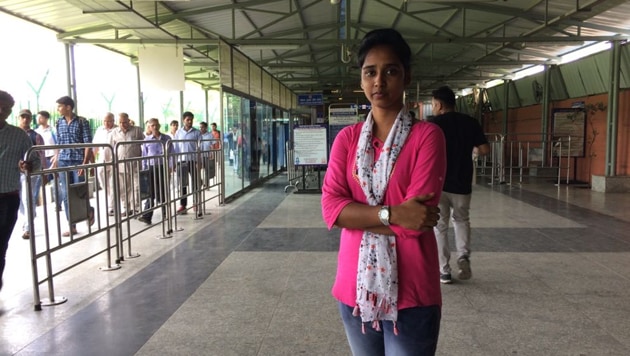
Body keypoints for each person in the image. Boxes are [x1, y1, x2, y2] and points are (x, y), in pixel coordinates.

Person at [320, 29, 446, 355]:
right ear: (361, 80)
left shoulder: (427, 137)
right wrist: (393, 213)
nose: (379, 81)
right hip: (354, 289)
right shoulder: (346, 140)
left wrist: (357, 215)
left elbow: (417, 219)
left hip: (413, 292)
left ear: (406, 77)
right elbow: (331, 209)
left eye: (390, 71)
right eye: (370, 72)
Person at [429, 85, 490, 284]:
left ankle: (444, 271)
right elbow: (484, 149)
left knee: (440, 226)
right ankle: (463, 255)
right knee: (462, 219)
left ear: (438, 104)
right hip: (463, 182)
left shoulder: (433, 125)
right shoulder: (470, 122)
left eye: (433, 103)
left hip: (439, 183)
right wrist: (470, 151)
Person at [0, 90, 41, 291]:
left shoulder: (19, 136)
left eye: (6, 108)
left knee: (1, 246)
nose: (1, 110)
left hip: (8, 198)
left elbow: (35, 162)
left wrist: (28, 166)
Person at [50, 96, 94, 237]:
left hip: (77, 160)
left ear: (68, 107)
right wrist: (56, 158)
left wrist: (84, 162)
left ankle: (89, 210)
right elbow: (59, 143)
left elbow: (87, 143)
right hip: (63, 160)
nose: (58, 109)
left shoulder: (82, 122)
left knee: (79, 190)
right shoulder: (59, 122)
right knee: (66, 193)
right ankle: (72, 225)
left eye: (60, 106)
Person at [17, 109, 46, 240]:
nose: (25, 119)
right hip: (15, 172)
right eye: (23, 117)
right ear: (19, 118)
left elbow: (41, 155)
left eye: (27, 117)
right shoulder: (14, 134)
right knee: (20, 201)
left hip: (31, 172)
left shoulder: (36, 136)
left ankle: (28, 227)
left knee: (27, 198)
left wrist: (43, 171)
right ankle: (30, 215)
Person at [109, 112, 145, 217]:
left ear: (129, 121)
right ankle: (127, 208)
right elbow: (110, 148)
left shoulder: (137, 130)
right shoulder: (114, 132)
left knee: (136, 186)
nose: (122, 124)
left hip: (135, 163)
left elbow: (144, 144)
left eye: (124, 122)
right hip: (120, 164)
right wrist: (112, 162)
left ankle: (136, 208)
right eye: (120, 122)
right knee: (124, 188)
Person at [138, 118, 172, 225]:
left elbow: (172, 153)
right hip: (151, 168)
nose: (155, 127)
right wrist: (144, 169)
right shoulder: (147, 140)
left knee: (163, 190)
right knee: (150, 191)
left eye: (156, 125)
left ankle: (166, 212)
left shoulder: (167, 138)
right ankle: (147, 216)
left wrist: (170, 167)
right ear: (149, 127)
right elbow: (144, 155)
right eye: (152, 125)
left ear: (159, 125)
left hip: (162, 166)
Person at [173, 111, 201, 215]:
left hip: (193, 161)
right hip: (182, 161)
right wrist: (175, 162)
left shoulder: (196, 132)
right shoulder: (178, 132)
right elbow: (176, 148)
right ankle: (183, 205)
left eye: (191, 120)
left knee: (195, 182)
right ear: (183, 120)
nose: (189, 122)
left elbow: (200, 148)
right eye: (187, 120)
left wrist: (199, 161)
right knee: (183, 184)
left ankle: (196, 202)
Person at [92, 112, 117, 215]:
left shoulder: (117, 130)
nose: (107, 123)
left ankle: (112, 207)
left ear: (113, 121)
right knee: (103, 183)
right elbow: (95, 146)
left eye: (109, 121)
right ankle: (111, 201)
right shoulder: (99, 130)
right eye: (105, 121)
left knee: (113, 183)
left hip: (114, 160)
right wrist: (92, 161)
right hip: (102, 160)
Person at [35, 110, 59, 211]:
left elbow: (58, 143)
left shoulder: (53, 130)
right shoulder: (36, 131)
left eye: (40, 117)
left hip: (52, 158)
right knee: (37, 183)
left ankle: (58, 203)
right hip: (41, 160)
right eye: (37, 117)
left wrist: (56, 157)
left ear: (45, 118)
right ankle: (33, 207)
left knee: (55, 182)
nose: (38, 119)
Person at [199, 122, 214, 187]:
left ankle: (207, 184)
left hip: (207, 155)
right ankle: (200, 182)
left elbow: (212, 145)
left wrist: (212, 153)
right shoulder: (198, 134)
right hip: (199, 156)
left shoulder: (210, 135)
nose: (201, 128)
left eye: (202, 127)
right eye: (200, 127)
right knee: (198, 170)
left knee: (207, 170)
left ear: (206, 128)